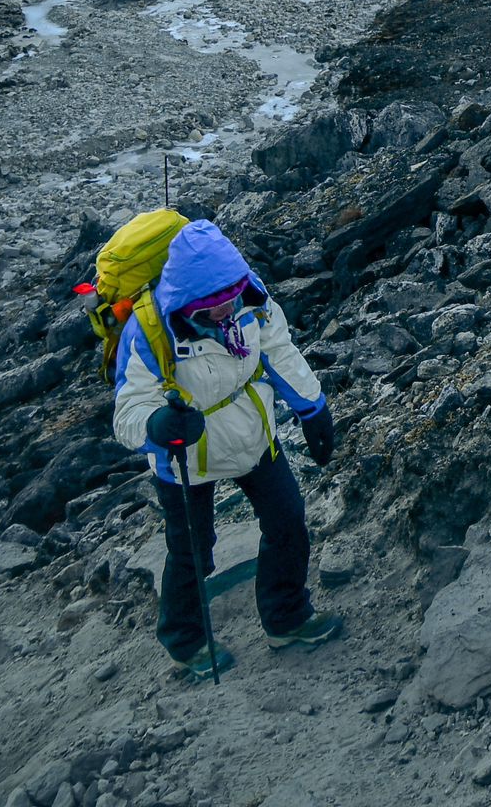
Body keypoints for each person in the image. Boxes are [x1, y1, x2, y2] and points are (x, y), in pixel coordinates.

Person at [113, 218, 342, 678]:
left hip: (251, 435)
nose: (225, 312)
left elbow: (278, 351)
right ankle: (187, 641)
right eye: (211, 307)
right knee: (193, 552)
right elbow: (127, 413)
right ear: (184, 302)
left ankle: (287, 618)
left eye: (229, 301)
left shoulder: (249, 296)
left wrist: (313, 407)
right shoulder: (148, 332)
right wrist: (159, 424)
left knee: (288, 523)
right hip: (184, 458)